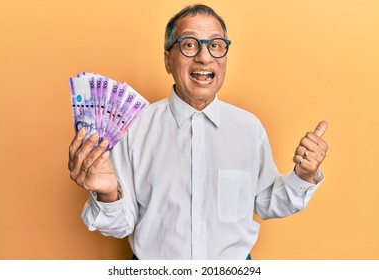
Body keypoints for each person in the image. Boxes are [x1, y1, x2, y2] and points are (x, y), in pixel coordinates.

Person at [68, 4, 328, 260]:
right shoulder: (133, 127)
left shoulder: (249, 128)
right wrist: (108, 194)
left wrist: (303, 176)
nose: (204, 57)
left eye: (216, 45)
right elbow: (121, 224)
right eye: (189, 44)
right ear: (168, 59)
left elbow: (268, 201)